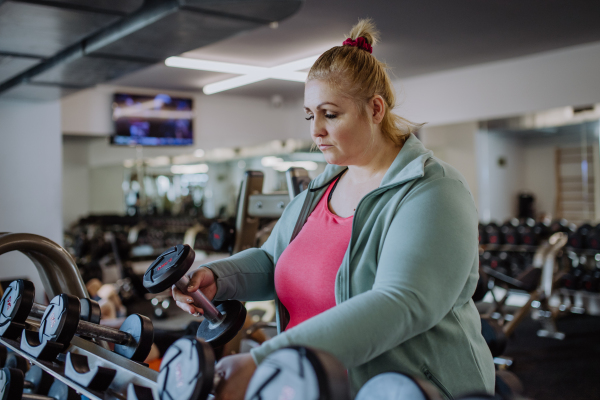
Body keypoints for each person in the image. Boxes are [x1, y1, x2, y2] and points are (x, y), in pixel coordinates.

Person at [173, 19, 495, 400]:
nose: (316, 131)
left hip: (409, 390)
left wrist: (266, 361)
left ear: (375, 110)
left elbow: (400, 304)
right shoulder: (321, 188)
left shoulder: (433, 191)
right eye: (311, 115)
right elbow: (272, 260)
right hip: (311, 385)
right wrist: (216, 278)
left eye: (330, 114)